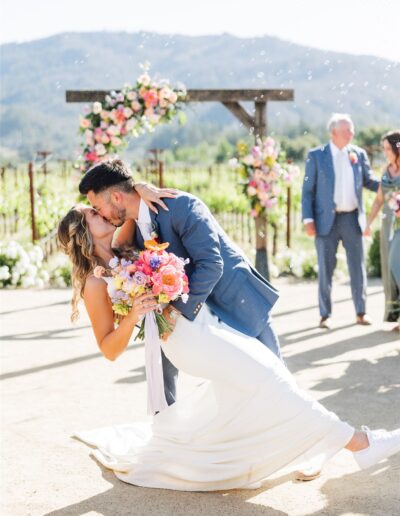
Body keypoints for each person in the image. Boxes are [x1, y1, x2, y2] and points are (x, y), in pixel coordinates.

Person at [57, 203, 400, 491]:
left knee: (266, 375)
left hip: (204, 323)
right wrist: (134, 313)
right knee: (268, 377)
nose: (100, 209)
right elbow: (109, 348)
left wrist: (144, 193)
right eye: (91, 212)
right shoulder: (94, 283)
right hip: (184, 341)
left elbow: (133, 199)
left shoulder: (123, 242)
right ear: (83, 231)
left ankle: (309, 444)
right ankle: (361, 443)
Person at [77, 159, 282, 408]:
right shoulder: (134, 225)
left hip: (234, 301)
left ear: (117, 198)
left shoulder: (181, 206)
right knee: (219, 382)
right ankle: (165, 420)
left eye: (97, 207)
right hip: (195, 314)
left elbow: (212, 265)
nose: (99, 214)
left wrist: (174, 312)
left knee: (278, 382)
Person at [302, 113, 380, 329]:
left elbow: (369, 181)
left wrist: (391, 182)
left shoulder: (358, 154)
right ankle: (325, 315)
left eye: (352, 129)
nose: (352, 133)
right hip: (325, 221)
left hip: (352, 219)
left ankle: (361, 312)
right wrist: (308, 219)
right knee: (326, 269)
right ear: (334, 132)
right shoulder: (316, 156)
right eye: (347, 130)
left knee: (358, 267)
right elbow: (307, 190)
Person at [364, 130, 400, 332]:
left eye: (388, 149)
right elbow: (379, 200)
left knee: (397, 266)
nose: (385, 152)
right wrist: (368, 223)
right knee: (389, 269)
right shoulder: (386, 170)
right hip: (387, 225)